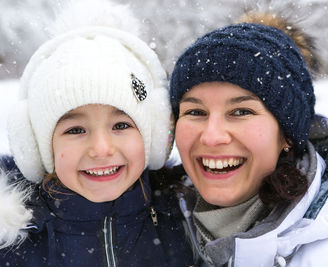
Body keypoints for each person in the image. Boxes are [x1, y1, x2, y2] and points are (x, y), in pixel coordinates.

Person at [169, 13, 328, 266]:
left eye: (241, 112)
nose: (212, 136)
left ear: (287, 136)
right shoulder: (160, 222)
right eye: (195, 112)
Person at [0, 1, 193, 266]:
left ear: (155, 137)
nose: (101, 148)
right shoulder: (13, 244)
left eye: (121, 125)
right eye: (76, 129)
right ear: (36, 147)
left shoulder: (186, 219)